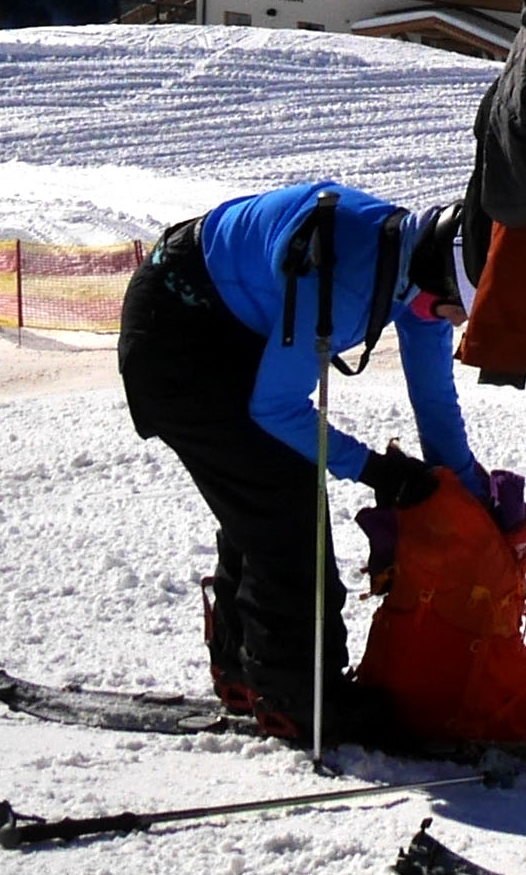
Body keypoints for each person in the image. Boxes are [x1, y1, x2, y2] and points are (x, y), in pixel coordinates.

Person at [116, 179, 481, 744]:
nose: (454, 324)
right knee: (284, 504)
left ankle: (244, 666)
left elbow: (434, 401)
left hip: (219, 322)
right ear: (440, 284)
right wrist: (374, 469)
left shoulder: (412, 261)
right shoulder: (348, 279)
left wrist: (469, 494)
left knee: (270, 490)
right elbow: (277, 409)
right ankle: (299, 699)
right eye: (455, 311)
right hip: (176, 337)